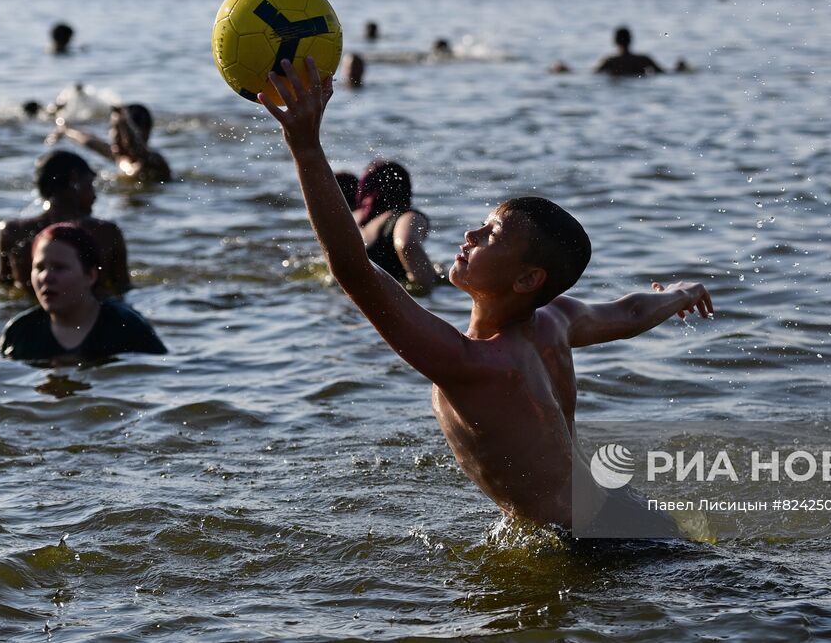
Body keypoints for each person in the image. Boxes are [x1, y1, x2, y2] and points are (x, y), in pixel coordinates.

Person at [259, 57, 713, 533]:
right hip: (627, 516)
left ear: (526, 280)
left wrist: (307, 151)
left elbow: (354, 269)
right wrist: (681, 293)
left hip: (594, 546)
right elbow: (631, 310)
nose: (471, 233)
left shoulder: (473, 364)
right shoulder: (557, 321)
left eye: (491, 234)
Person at [0, 222, 165, 362]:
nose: (46, 277)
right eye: (39, 268)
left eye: (59, 268)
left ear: (91, 275)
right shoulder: (20, 332)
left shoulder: (127, 327)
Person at [0, 151, 130, 297]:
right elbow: (122, 289)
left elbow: (4, 285)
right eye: (90, 184)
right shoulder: (107, 232)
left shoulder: (12, 231)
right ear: (74, 179)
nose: (94, 195)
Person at [351, 159, 437, 295]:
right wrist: (428, 286)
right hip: (389, 297)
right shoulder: (406, 216)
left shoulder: (354, 218)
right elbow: (406, 244)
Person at [49, 103, 172, 183]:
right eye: (112, 129)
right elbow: (90, 141)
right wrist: (64, 129)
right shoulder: (120, 158)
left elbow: (136, 146)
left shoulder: (154, 162)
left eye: (118, 130)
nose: (113, 135)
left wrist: (123, 122)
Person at [593, 26, 665, 77]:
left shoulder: (610, 61)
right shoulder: (644, 60)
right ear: (630, 40)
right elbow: (664, 73)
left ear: (615, 41)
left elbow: (594, 75)